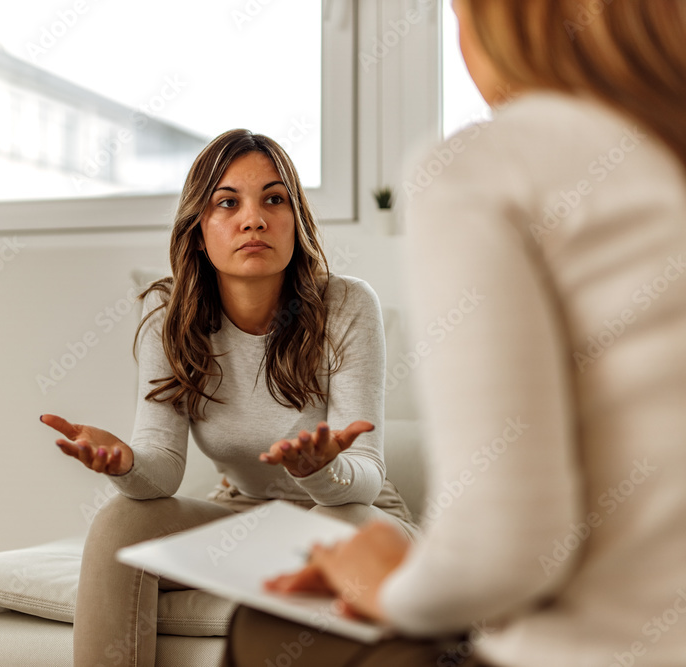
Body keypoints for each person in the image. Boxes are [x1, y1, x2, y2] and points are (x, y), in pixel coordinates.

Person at [221, 0, 686, 665]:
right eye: (229, 202)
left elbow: (509, 548)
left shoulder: (486, 169)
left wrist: (392, 579)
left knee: (270, 624)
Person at [41, 128, 418, 667]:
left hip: (355, 514)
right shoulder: (169, 320)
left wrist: (319, 471)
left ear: (296, 221)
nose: (253, 219)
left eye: (274, 199)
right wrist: (126, 464)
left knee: (333, 530)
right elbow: (162, 471)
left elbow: (365, 473)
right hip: (248, 515)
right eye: (227, 202)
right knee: (120, 521)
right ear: (198, 229)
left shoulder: (347, 305)